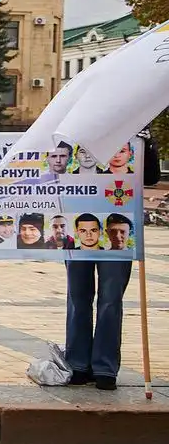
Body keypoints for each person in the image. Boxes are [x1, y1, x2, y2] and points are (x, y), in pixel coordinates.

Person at [67, 130, 160, 390]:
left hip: (116, 234)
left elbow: (149, 177)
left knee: (110, 299)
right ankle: (78, 364)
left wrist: (147, 143)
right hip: (78, 231)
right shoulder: (79, 132)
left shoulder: (132, 135)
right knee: (78, 297)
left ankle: (104, 367)